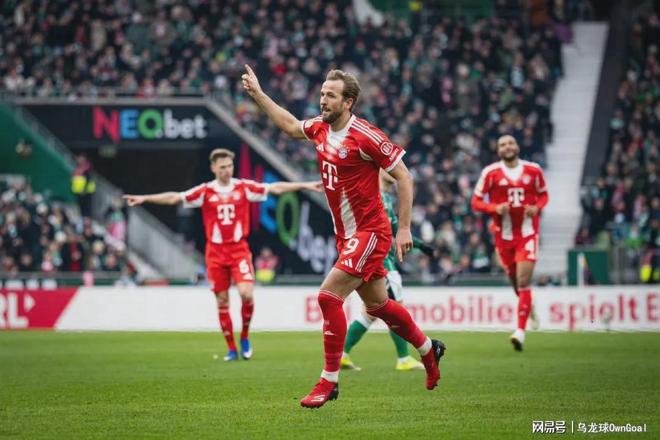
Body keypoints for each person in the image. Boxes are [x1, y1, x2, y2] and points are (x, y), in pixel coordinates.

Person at [242, 65, 446, 408]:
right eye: (322, 94)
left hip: (371, 232)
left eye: (331, 95)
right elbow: (290, 126)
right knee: (379, 306)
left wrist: (405, 228)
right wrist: (259, 94)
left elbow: (404, 177)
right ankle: (429, 349)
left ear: (348, 102)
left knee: (328, 296)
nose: (323, 100)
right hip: (347, 236)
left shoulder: (366, 136)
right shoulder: (320, 128)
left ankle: (329, 381)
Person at [124, 148, 321, 361]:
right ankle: (231, 349)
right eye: (223, 167)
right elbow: (175, 198)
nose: (227, 170)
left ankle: (244, 336)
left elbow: (274, 188)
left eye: (230, 166)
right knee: (222, 300)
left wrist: (304, 185)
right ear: (213, 168)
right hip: (216, 253)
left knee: (246, 293)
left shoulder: (243, 187)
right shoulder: (205, 191)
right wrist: (144, 198)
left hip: (238, 250)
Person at [341, 170, 437, 371]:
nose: (395, 169)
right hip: (381, 263)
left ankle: (343, 354)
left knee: (370, 313)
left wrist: (422, 246)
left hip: (384, 261)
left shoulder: (385, 198)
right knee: (395, 310)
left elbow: (396, 229)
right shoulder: (371, 195)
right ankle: (403, 358)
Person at [471, 135, 549, 351]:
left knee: (523, 281)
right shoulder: (490, 173)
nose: (507, 147)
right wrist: (494, 208)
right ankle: (529, 307)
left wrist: (537, 208)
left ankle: (520, 332)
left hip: (527, 234)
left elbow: (544, 196)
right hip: (503, 237)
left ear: (517, 147)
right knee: (516, 283)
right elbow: (475, 201)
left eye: (510, 143)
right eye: (503, 144)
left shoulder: (533, 170)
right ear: (498, 150)